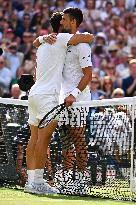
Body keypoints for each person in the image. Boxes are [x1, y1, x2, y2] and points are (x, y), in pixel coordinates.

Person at [25, 11, 94, 195]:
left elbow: (88, 73)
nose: (63, 20)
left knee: (73, 140)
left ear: (72, 21)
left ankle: (76, 180)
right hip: (51, 98)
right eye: (61, 18)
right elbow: (89, 36)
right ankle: (37, 182)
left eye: (66, 18)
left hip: (46, 96)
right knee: (45, 140)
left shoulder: (42, 44)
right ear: (61, 25)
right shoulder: (63, 39)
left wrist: (40, 38)